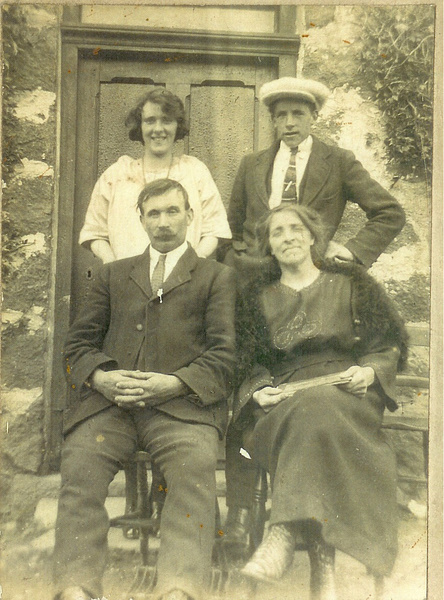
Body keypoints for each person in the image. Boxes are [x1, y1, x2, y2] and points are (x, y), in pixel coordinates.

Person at [222, 77, 406, 547]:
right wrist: (246, 271)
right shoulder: (252, 165)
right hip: (259, 298)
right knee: (251, 386)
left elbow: (388, 212)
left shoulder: (337, 162)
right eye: (280, 115)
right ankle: (242, 516)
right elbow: (238, 226)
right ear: (272, 120)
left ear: (312, 117)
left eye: (297, 114)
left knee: (306, 398)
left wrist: (353, 254)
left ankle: (293, 530)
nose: (288, 123)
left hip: (315, 288)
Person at [53, 179, 236, 600]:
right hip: (111, 408)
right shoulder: (113, 274)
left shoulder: (216, 277)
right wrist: (101, 378)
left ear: (191, 217)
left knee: (193, 471)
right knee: (80, 468)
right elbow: (77, 345)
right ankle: (75, 587)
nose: (164, 222)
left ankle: (179, 589)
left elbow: (226, 356)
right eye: (154, 213)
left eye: (173, 211)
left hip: (181, 409)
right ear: (140, 219)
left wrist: (175, 382)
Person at [233, 204, 407, 599]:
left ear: (313, 237)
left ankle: (282, 532)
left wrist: (369, 373)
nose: (288, 237)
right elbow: (246, 362)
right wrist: (259, 390)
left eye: (297, 229)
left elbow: (386, 345)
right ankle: (322, 567)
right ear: (269, 246)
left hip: (347, 394)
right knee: (311, 412)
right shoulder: (256, 298)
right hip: (284, 401)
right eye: (278, 233)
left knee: (318, 409)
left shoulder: (351, 284)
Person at [79, 87, 231, 263]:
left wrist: (193, 264)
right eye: (150, 121)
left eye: (166, 120)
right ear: (140, 126)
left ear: (177, 125)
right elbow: (94, 232)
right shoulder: (117, 174)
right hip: (127, 281)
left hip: (184, 282)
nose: (158, 129)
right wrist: (114, 266)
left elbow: (215, 229)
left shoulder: (195, 171)